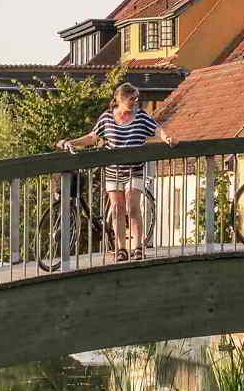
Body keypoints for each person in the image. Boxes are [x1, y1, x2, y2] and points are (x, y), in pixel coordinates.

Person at [57, 83, 175, 261]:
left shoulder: (141, 116)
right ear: (120, 99)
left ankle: (138, 247)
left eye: (136, 98)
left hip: (134, 169)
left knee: (132, 207)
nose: (135, 101)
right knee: (118, 209)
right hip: (113, 171)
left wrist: (167, 138)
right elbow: (92, 136)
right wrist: (71, 142)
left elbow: (157, 129)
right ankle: (120, 248)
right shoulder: (107, 118)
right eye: (131, 98)